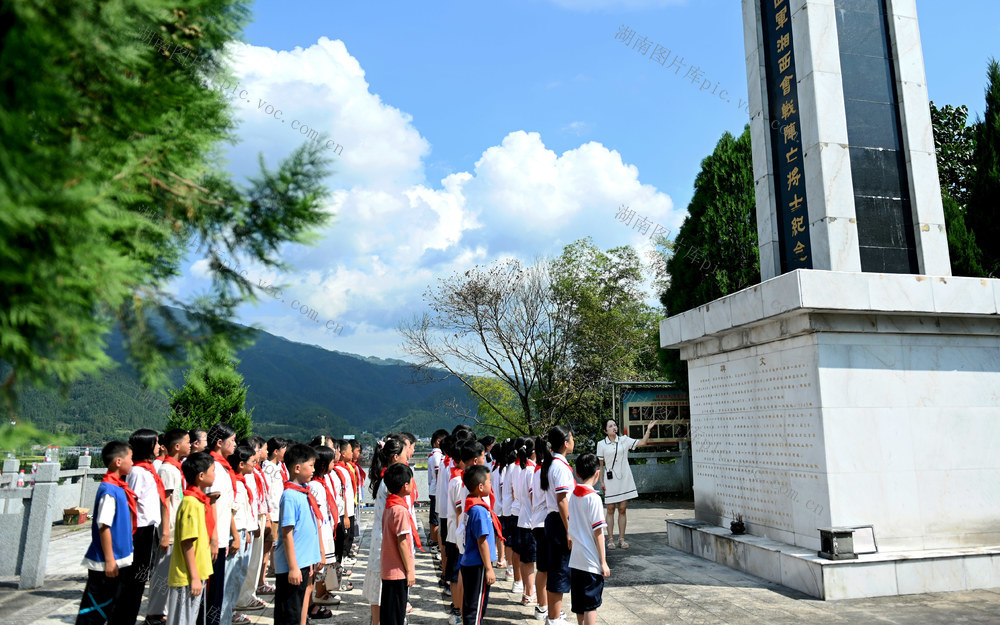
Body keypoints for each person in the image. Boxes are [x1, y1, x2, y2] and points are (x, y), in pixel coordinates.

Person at [76, 442, 135, 625]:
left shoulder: (118, 488)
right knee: (94, 610)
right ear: (118, 461)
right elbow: (104, 526)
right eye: (130, 459)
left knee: (110, 607)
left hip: (117, 560)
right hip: (106, 562)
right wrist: (110, 559)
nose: (132, 463)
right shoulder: (109, 491)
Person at [115, 429, 169, 625]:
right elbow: (131, 504)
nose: (158, 447)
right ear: (147, 446)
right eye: (155, 443)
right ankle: (124, 618)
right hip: (138, 532)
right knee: (132, 580)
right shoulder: (137, 472)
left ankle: (128, 615)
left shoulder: (147, 469)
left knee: (139, 579)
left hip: (147, 530)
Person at [273, 443, 323, 625]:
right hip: (291, 566)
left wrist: (313, 557)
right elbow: (287, 534)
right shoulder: (290, 496)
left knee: (296, 609)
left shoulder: (303, 493)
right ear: (297, 467)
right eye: (310, 465)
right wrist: (293, 567)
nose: (313, 469)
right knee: (288, 613)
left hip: (302, 562)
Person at [146, 429, 191, 625]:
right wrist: (164, 532)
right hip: (169, 529)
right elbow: (165, 500)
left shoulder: (176, 468)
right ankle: (154, 613)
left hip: (177, 528)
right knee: (162, 571)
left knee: (170, 571)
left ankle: (162, 611)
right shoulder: (166, 470)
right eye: (188, 441)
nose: (191, 445)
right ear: (177, 446)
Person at [166, 452, 216, 625]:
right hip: (187, 576)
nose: (215, 475)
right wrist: (194, 577)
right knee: (183, 620)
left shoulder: (198, 501)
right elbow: (187, 542)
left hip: (196, 572)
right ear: (201, 476)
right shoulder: (191, 503)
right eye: (213, 471)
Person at [363, 435, 407, 625]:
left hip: (381, 535)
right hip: (386, 538)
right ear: (395, 457)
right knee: (383, 585)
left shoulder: (385, 477)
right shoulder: (392, 481)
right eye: (406, 452)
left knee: (379, 585)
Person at [596, 418, 658, 549]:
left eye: (615, 425)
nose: (614, 427)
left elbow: (642, 442)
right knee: (610, 508)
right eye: (610, 426)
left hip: (625, 479)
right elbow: (601, 465)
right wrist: (601, 481)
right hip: (610, 479)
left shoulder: (624, 440)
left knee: (623, 508)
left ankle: (622, 539)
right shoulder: (601, 444)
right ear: (605, 430)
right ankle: (611, 539)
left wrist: (648, 430)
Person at [567, 454, 609, 625]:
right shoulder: (594, 499)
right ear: (597, 474)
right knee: (590, 604)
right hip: (591, 560)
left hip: (576, 559)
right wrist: (604, 561)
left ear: (577, 473)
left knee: (579, 604)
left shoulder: (573, 496)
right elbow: (598, 533)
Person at [540, 425, 575, 625]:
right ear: (565, 442)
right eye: (572, 437)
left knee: (557, 568)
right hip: (560, 521)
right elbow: (562, 499)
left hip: (554, 520)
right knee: (559, 570)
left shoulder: (553, 463)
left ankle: (554, 615)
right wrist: (569, 529)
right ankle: (554, 618)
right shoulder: (559, 467)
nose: (573, 441)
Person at [204, 423, 238, 625]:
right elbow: (211, 505)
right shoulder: (213, 467)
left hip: (222, 537)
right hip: (214, 539)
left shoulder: (223, 467)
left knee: (218, 590)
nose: (235, 445)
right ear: (219, 442)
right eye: (232, 441)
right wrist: (214, 539)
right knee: (211, 591)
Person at [460, 465, 500, 625]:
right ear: (480, 486)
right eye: (489, 481)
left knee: (471, 606)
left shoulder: (472, 505)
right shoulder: (479, 510)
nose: (491, 485)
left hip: (470, 562)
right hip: (479, 565)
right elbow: (482, 541)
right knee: (476, 609)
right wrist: (489, 569)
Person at [379, 463, 416, 625]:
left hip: (388, 569)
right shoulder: (399, 510)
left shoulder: (390, 506)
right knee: (396, 616)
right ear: (405, 486)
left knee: (389, 613)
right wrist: (410, 571)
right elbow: (402, 543)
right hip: (398, 571)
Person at [236, 436, 270, 613]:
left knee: (254, 560)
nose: (263, 452)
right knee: (248, 562)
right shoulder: (247, 474)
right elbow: (250, 501)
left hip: (257, 517)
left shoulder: (257, 471)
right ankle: (243, 597)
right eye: (260, 449)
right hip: (250, 520)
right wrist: (255, 521)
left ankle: (250, 593)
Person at [224, 444, 256, 625]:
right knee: (231, 577)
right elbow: (231, 512)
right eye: (252, 461)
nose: (255, 464)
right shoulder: (233, 482)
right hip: (235, 534)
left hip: (243, 531)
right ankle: (225, 614)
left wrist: (247, 532)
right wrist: (236, 535)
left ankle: (231, 610)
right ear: (241, 464)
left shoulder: (242, 481)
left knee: (239, 574)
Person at [259, 436, 288, 593]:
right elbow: (267, 493)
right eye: (283, 448)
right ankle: (261, 582)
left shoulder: (278, 467)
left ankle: (264, 577)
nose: (286, 451)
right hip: (273, 512)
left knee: (271, 546)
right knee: (266, 548)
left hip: (278, 512)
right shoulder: (268, 468)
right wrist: (269, 513)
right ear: (276, 451)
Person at [529, 436, 550, 621]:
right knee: (546, 569)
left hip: (537, 522)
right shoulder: (547, 470)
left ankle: (543, 606)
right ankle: (545, 608)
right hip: (545, 524)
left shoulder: (537, 471)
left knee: (542, 568)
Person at [515, 438, 538, 607]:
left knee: (525, 559)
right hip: (530, 520)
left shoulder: (524, 468)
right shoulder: (531, 470)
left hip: (523, 518)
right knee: (529, 560)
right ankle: (530, 593)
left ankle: (526, 590)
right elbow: (533, 497)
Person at [427, 429, 448, 554]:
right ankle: (435, 542)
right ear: (439, 441)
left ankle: (433, 539)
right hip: (436, 490)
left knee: (434, 517)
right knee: (435, 518)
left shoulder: (434, 454)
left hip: (434, 489)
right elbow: (437, 472)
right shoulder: (437, 455)